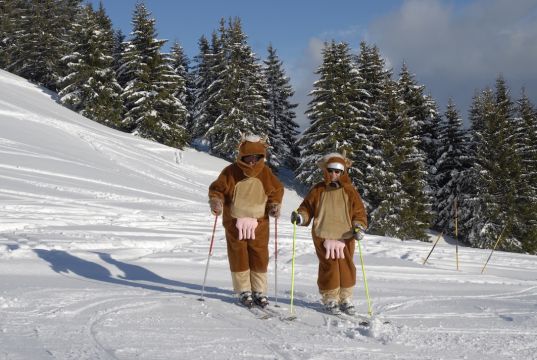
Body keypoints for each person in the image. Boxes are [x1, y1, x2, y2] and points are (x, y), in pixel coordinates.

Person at [208, 134, 284, 308]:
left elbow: (276, 190)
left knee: (259, 255)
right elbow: (217, 189)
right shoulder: (231, 171)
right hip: (235, 223)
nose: (252, 161)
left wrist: (274, 205)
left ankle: (259, 290)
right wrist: (216, 200)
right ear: (242, 155)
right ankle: (243, 290)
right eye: (249, 157)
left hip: (259, 224)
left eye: (256, 157)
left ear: (261, 157)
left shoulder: (266, 172)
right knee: (238, 255)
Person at [291, 152, 367, 315]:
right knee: (329, 267)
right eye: (331, 170)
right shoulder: (318, 189)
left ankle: (345, 298)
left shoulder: (349, 190)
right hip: (323, 234)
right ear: (326, 170)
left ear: (343, 172)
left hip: (345, 236)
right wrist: (301, 217)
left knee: (346, 266)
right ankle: (330, 298)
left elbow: (359, 212)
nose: (334, 174)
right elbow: (307, 208)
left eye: (337, 171)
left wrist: (359, 226)